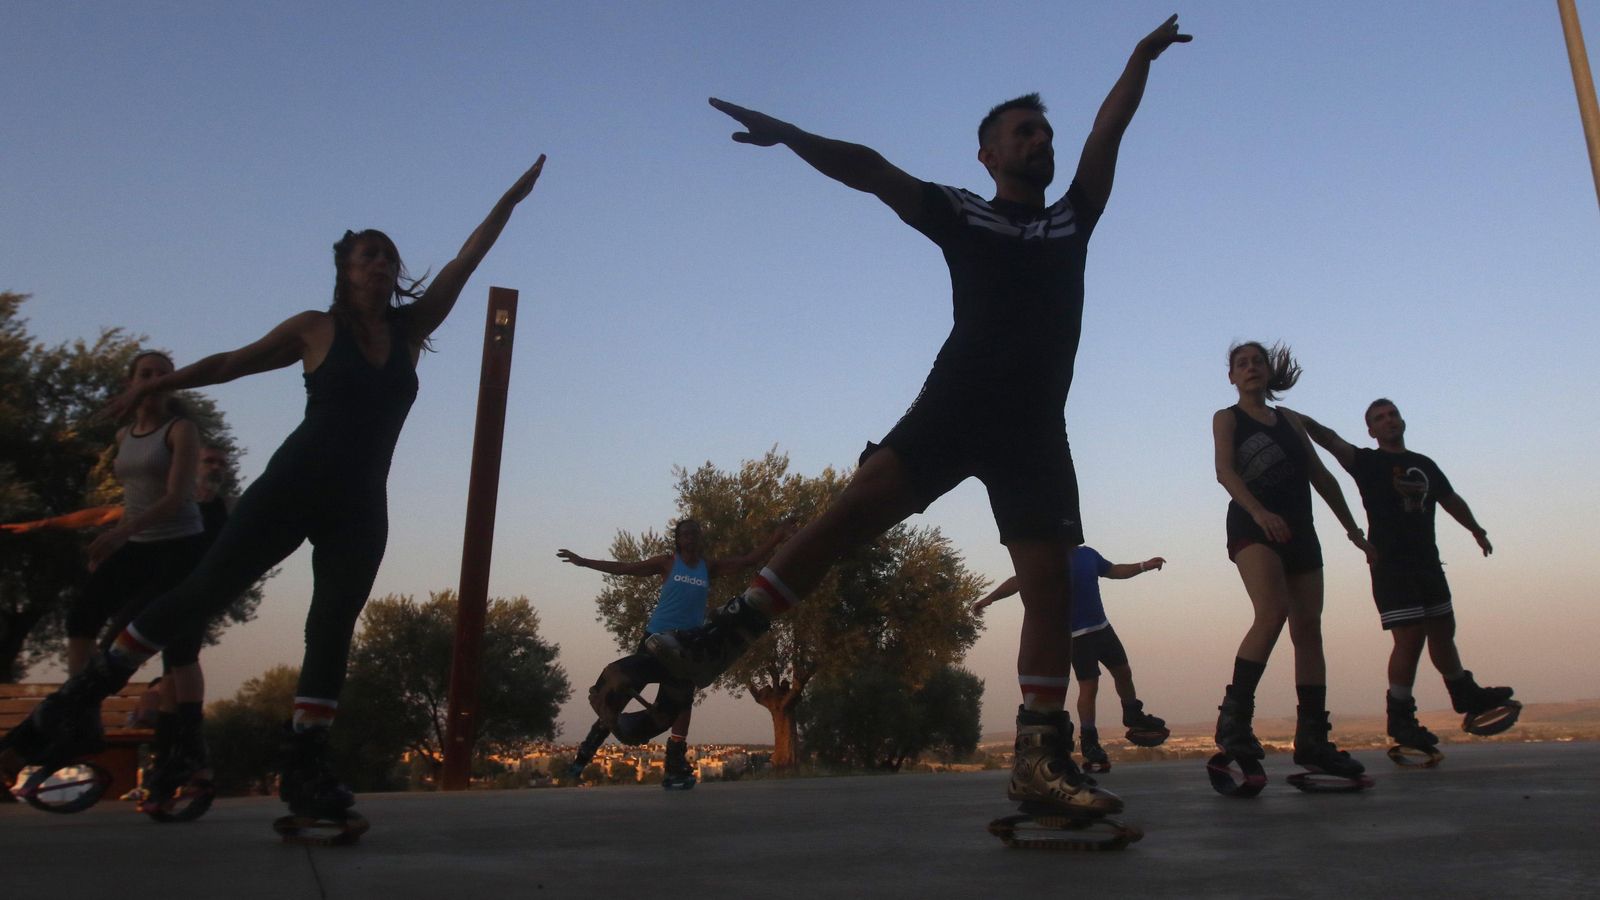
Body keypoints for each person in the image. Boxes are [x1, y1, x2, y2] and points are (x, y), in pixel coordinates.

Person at [648, 17, 1191, 821]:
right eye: (1023, 131)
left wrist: (1139, 59)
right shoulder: (963, 212)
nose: (1041, 141)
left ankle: (1038, 760)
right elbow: (872, 170)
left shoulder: (1072, 219)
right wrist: (790, 134)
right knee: (850, 513)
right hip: (955, 407)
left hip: (1037, 433)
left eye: (1046, 132)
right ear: (988, 155)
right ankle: (722, 636)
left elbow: (1108, 131)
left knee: (1049, 589)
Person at [4, 153, 546, 829]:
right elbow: (232, 363)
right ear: (346, 272)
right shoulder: (315, 329)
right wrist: (161, 382)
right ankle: (74, 703)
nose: (381, 264)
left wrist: (509, 201)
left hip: (360, 505)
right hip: (292, 485)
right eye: (368, 256)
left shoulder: (412, 330)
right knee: (203, 591)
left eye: (389, 257)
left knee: (331, 627)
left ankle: (307, 766)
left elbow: (467, 259)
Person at [1297, 400, 1516, 746]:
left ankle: (1463, 691)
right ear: (1371, 430)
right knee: (1410, 637)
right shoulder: (1367, 462)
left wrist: (1476, 529)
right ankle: (1400, 715)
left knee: (1443, 629)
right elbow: (1330, 439)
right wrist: (1296, 418)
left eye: (1393, 414)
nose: (1389, 421)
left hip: (1427, 562)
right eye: (1380, 418)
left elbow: (1450, 499)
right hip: (1391, 565)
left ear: (1402, 420)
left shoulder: (1424, 464)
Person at [1210, 341, 1375, 781]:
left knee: (1308, 629)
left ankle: (1313, 740)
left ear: (1267, 371)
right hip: (1253, 525)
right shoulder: (1227, 418)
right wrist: (1259, 512)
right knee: (1273, 612)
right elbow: (1225, 471)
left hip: (1300, 530)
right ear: (1232, 377)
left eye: (1257, 361)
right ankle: (1234, 722)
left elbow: (1321, 476)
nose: (1250, 368)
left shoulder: (1290, 421)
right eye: (1241, 364)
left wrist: (1354, 532)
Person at [558, 519, 791, 783]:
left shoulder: (708, 567)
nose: (690, 537)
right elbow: (624, 568)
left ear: (700, 538)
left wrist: (778, 536)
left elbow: (748, 561)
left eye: (695, 533)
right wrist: (584, 562)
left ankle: (674, 766)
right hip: (655, 641)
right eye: (685, 534)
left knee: (681, 703)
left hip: (686, 645)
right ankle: (580, 761)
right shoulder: (667, 563)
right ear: (678, 540)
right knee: (618, 696)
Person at [973, 546, 1167, 770]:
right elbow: (1018, 581)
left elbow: (1114, 570)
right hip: (1077, 637)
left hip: (1102, 628)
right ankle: (1090, 742)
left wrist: (1144, 566)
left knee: (1123, 672)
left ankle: (1132, 714)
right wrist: (989, 599)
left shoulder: (1088, 554)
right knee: (1089, 686)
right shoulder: (1050, 559)